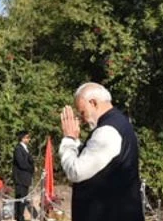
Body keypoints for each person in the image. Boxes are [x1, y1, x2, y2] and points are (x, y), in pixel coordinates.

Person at [58, 83, 144, 221]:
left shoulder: (107, 131)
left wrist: (68, 139)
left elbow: (76, 171)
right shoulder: (117, 123)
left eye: (82, 112)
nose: (82, 119)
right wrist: (76, 142)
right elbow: (93, 159)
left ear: (93, 103)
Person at [12, 130, 36, 221]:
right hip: (20, 178)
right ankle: (19, 216)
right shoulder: (18, 149)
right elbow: (21, 163)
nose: (29, 139)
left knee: (24, 198)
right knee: (20, 198)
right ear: (22, 138)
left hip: (25, 177)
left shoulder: (26, 148)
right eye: (27, 137)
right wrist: (32, 168)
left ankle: (19, 215)